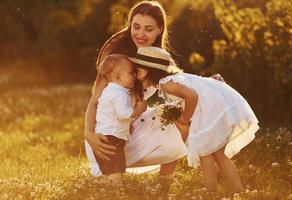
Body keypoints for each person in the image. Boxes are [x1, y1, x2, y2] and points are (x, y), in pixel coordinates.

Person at [84, 0, 223, 185]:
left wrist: (206, 83)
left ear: (159, 30)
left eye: (148, 29)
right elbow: (95, 101)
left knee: (176, 112)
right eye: (136, 27)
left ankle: (164, 184)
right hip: (106, 137)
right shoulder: (117, 59)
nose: (140, 34)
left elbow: (179, 81)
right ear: (129, 25)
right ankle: (109, 175)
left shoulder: (157, 58)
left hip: (129, 130)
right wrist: (88, 134)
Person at [128, 46, 259, 192]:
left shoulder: (166, 83)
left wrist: (185, 118)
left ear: (150, 70)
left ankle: (211, 193)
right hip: (216, 109)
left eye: (138, 71)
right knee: (218, 155)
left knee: (205, 154)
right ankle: (238, 190)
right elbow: (196, 89)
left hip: (210, 113)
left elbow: (192, 96)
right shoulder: (171, 79)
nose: (135, 76)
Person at [93, 54, 147, 184]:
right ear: (118, 77)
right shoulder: (119, 94)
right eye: (131, 73)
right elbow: (123, 114)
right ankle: (116, 194)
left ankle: (106, 193)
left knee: (108, 172)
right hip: (112, 139)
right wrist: (140, 109)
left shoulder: (109, 91)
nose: (135, 76)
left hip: (103, 137)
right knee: (116, 172)